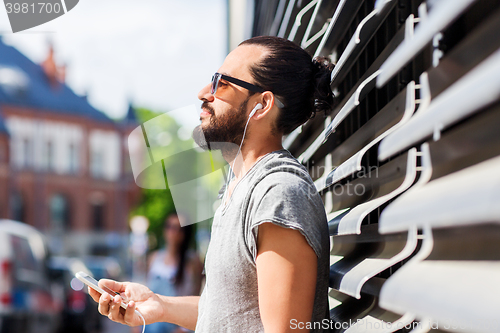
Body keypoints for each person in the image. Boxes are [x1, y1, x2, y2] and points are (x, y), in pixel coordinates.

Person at [89, 36, 335, 333]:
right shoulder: (239, 186)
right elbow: (229, 314)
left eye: (222, 83)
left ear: (262, 105)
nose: (204, 93)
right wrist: (161, 306)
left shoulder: (279, 194)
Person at [146, 213, 202, 333]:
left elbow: (195, 297)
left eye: (177, 228)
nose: (172, 231)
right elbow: (148, 290)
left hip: (175, 324)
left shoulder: (192, 261)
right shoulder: (154, 258)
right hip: (151, 323)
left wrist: (183, 329)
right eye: (169, 226)